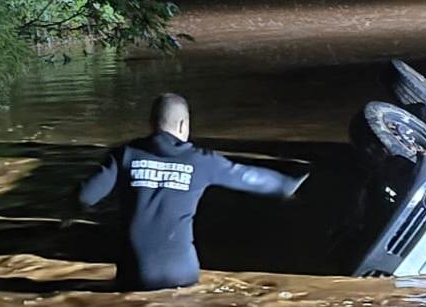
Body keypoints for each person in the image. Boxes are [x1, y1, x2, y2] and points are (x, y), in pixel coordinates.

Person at [75, 93, 308, 291]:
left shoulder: (125, 154)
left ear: (152, 123)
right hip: (181, 273)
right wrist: (286, 185)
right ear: (183, 126)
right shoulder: (201, 161)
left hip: (135, 274)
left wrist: (70, 210)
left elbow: (85, 196)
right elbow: (247, 176)